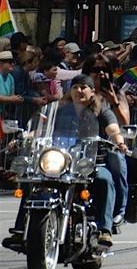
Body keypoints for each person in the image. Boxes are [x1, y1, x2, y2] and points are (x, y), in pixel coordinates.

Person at [2, 78, 125, 251]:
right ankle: (21, 228)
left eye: (84, 87)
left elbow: (113, 129)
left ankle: (105, 229)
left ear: (91, 91)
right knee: (32, 181)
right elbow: (42, 128)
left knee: (105, 180)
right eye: (75, 87)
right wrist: (24, 137)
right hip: (60, 162)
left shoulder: (101, 111)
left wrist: (119, 141)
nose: (79, 90)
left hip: (88, 163)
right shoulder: (61, 110)